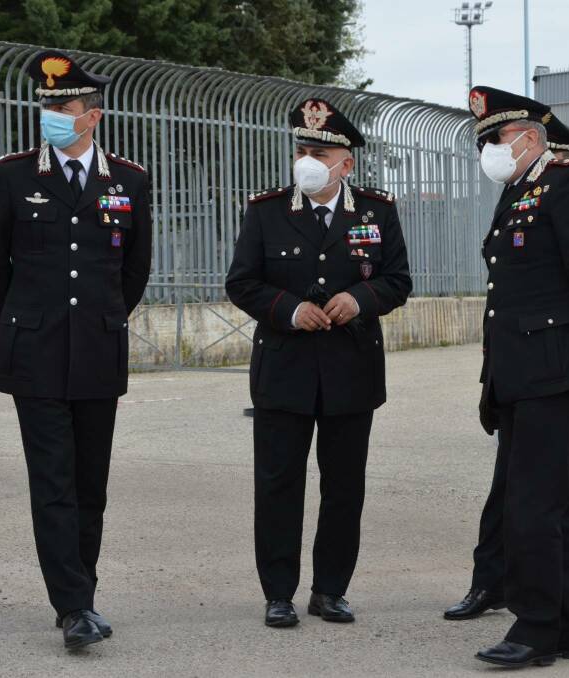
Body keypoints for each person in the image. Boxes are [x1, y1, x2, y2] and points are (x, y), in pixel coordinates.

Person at [0, 50, 152, 650]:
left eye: (64, 106)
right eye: (47, 104)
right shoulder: (14, 175)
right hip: (37, 350)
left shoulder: (128, 180)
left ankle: (83, 592)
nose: (51, 113)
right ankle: (73, 606)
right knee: (52, 481)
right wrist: (20, 324)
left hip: (99, 349)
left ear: (92, 115)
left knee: (90, 484)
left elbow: (135, 268)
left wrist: (104, 320)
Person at [444, 111, 569, 633]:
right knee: (515, 491)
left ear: (541, 143)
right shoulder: (516, 198)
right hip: (527, 372)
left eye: (497, 138)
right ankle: (496, 582)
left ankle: (561, 601)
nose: (489, 150)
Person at [225, 98, 412, 629]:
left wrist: (361, 299)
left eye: (320, 152)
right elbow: (242, 282)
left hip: (351, 370)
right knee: (279, 483)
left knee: (344, 486)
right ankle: (278, 593)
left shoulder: (377, 211)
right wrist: (289, 309)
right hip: (284, 368)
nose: (308, 159)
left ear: (345, 163)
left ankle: (330, 590)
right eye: (302, 149)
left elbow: (398, 279)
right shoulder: (266, 211)